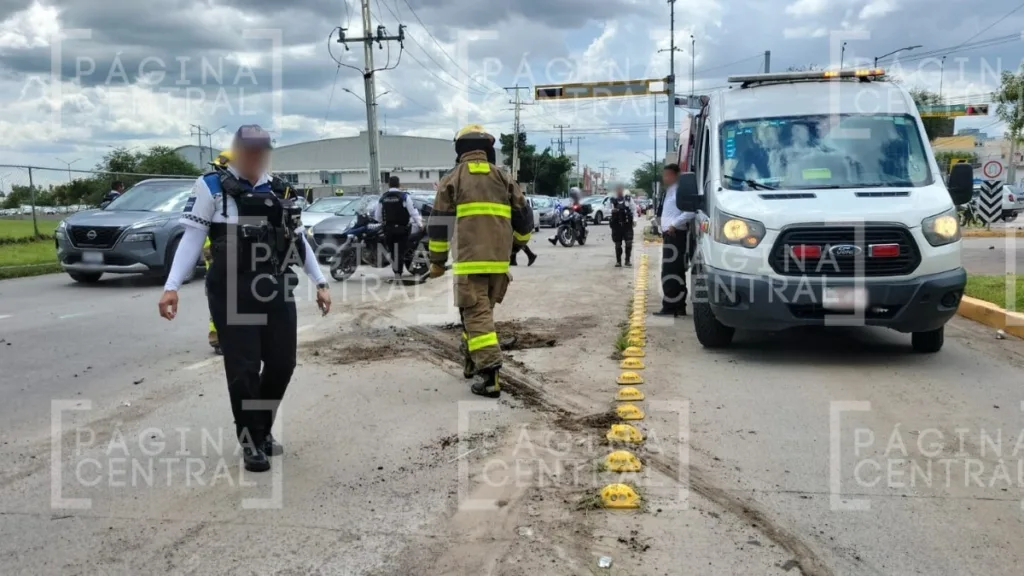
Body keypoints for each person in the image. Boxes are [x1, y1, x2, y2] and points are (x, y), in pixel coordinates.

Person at [158, 124, 331, 472]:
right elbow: (192, 238)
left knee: (283, 363)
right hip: (232, 290)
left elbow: (297, 240)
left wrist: (320, 281)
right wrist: (171, 286)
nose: (255, 158)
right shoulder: (211, 186)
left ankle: (261, 427)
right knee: (244, 367)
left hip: (275, 285)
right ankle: (251, 439)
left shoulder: (280, 189)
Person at [427, 124, 533, 398]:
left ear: (460, 149)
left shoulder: (452, 179)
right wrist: (515, 246)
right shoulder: (504, 178)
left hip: (469, 264)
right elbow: (525, 221)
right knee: (478, 315)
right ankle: (472, 361)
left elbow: (439, 226)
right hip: (499, 265)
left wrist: (437, 261)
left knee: (476, 316)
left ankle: (490, 376)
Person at [655, 164, 694, 317]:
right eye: (664, 175)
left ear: (676, 175)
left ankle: (672, 306)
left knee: (672, 271)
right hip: (668, 235)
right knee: (672, 271)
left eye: (668, 175)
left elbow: (691, 211)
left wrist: (674, 224)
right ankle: (677, 306)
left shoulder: (680, 191)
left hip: (676, 235)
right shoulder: (669, 191)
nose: (665, 178)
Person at [374, 175, 423, 279]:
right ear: (399, 184)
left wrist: (384, 223)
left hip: (389, 229)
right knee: (400, 251)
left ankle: (396, 271)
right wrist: (420, 224)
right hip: (402, 229)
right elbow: (413, 212)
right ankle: (398, 272)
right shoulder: (404, 197)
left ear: (388, 185)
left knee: (393, 251)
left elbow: (378, 216)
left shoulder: (383, 198)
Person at [608, 183, 636, 267]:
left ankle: (627, 260)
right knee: (617, 243)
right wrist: (612, 210)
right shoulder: (612, 199)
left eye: (620, 189)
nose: (619, 191)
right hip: (616, 224)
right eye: (618, 189)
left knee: (629, 242)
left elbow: (633, 209)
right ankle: (618, 261)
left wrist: (635, 220)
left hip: (627, 224)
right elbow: (606, 209)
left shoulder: (628, 199)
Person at [510, 193, 537, 267]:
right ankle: (514, 260)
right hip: (528, 233)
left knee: (512, 242)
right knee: (516, 240)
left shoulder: (515, 211)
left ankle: (529, 256)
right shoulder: (527, 207)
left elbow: (512, 225)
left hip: (521, 236)